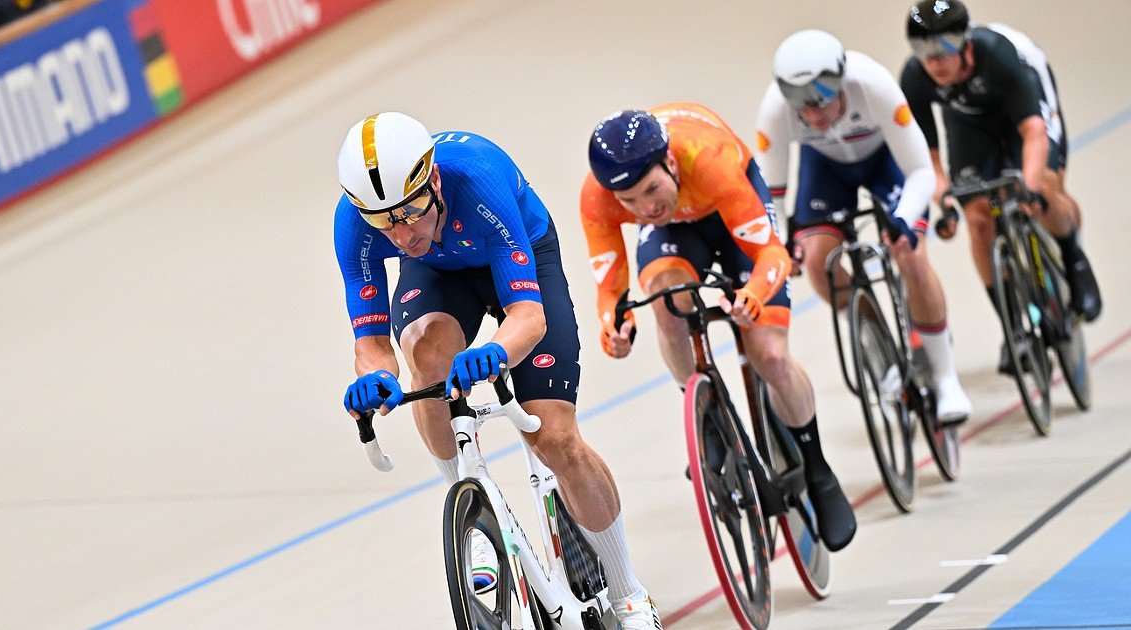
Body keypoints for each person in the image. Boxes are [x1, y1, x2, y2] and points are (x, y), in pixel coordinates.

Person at [335, 112, 661, 628]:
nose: (402, 233)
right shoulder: (355, 224)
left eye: (413, 210)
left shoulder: (478, 177)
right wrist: (376, 379)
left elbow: (527, 317)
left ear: (433, 181)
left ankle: (629, 593)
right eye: (384, 221)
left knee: (554, 437)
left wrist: (498, 354)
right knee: (425, 353)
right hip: (442, 273)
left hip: (522, 255)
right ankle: (469, 506)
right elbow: (372, 343)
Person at [581, 103, 857, 551]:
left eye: (650, 190)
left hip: (732, 215)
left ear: (669, 163)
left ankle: (817, 464)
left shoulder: (709, 162)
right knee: (667, 303)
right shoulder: (599, 197)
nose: (643, 208)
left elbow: (773, 255)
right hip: (678, 231)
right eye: (628, 202)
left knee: (768, 353)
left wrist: (754, 296)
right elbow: (610, 290)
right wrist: (615, 325)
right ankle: (705, 413)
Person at [756, 29, 972, 424]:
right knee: (820, 262)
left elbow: (921, 171)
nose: (816, 114)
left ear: (841, 83)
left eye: (823, 100)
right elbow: (772, 193)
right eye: (804, 108)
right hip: (825, 167)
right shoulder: (775, 109)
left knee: (910, 255)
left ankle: (946, 379)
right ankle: (875, 343)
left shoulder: (873, 84)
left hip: (885, 160)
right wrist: (783, 241)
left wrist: (904, 220)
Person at [900, 0, 1102, 373]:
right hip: (970, 122)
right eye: (923, 50)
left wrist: (1030, 186)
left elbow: (1034, 131)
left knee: (1043, 188)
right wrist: (943, 197)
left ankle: (1074, 259)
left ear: (965, 43)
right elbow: (926, 153)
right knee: (978, 218)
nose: (935, 61)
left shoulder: (999, 55)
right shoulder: (915, 77)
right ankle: (1013, 327)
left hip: (1025, 113)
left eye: (944, 47)